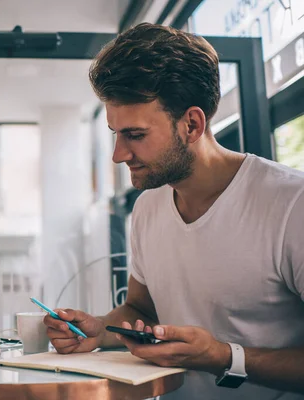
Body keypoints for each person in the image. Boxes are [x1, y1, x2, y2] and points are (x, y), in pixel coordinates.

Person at [44, 23, 304, 399]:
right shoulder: (149, 207)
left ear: (192, 124)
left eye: (135, 135)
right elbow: (141, 308)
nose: (118, 155)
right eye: (115, 134)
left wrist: (223, 357)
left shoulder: (291, 204)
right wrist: (99, 329)